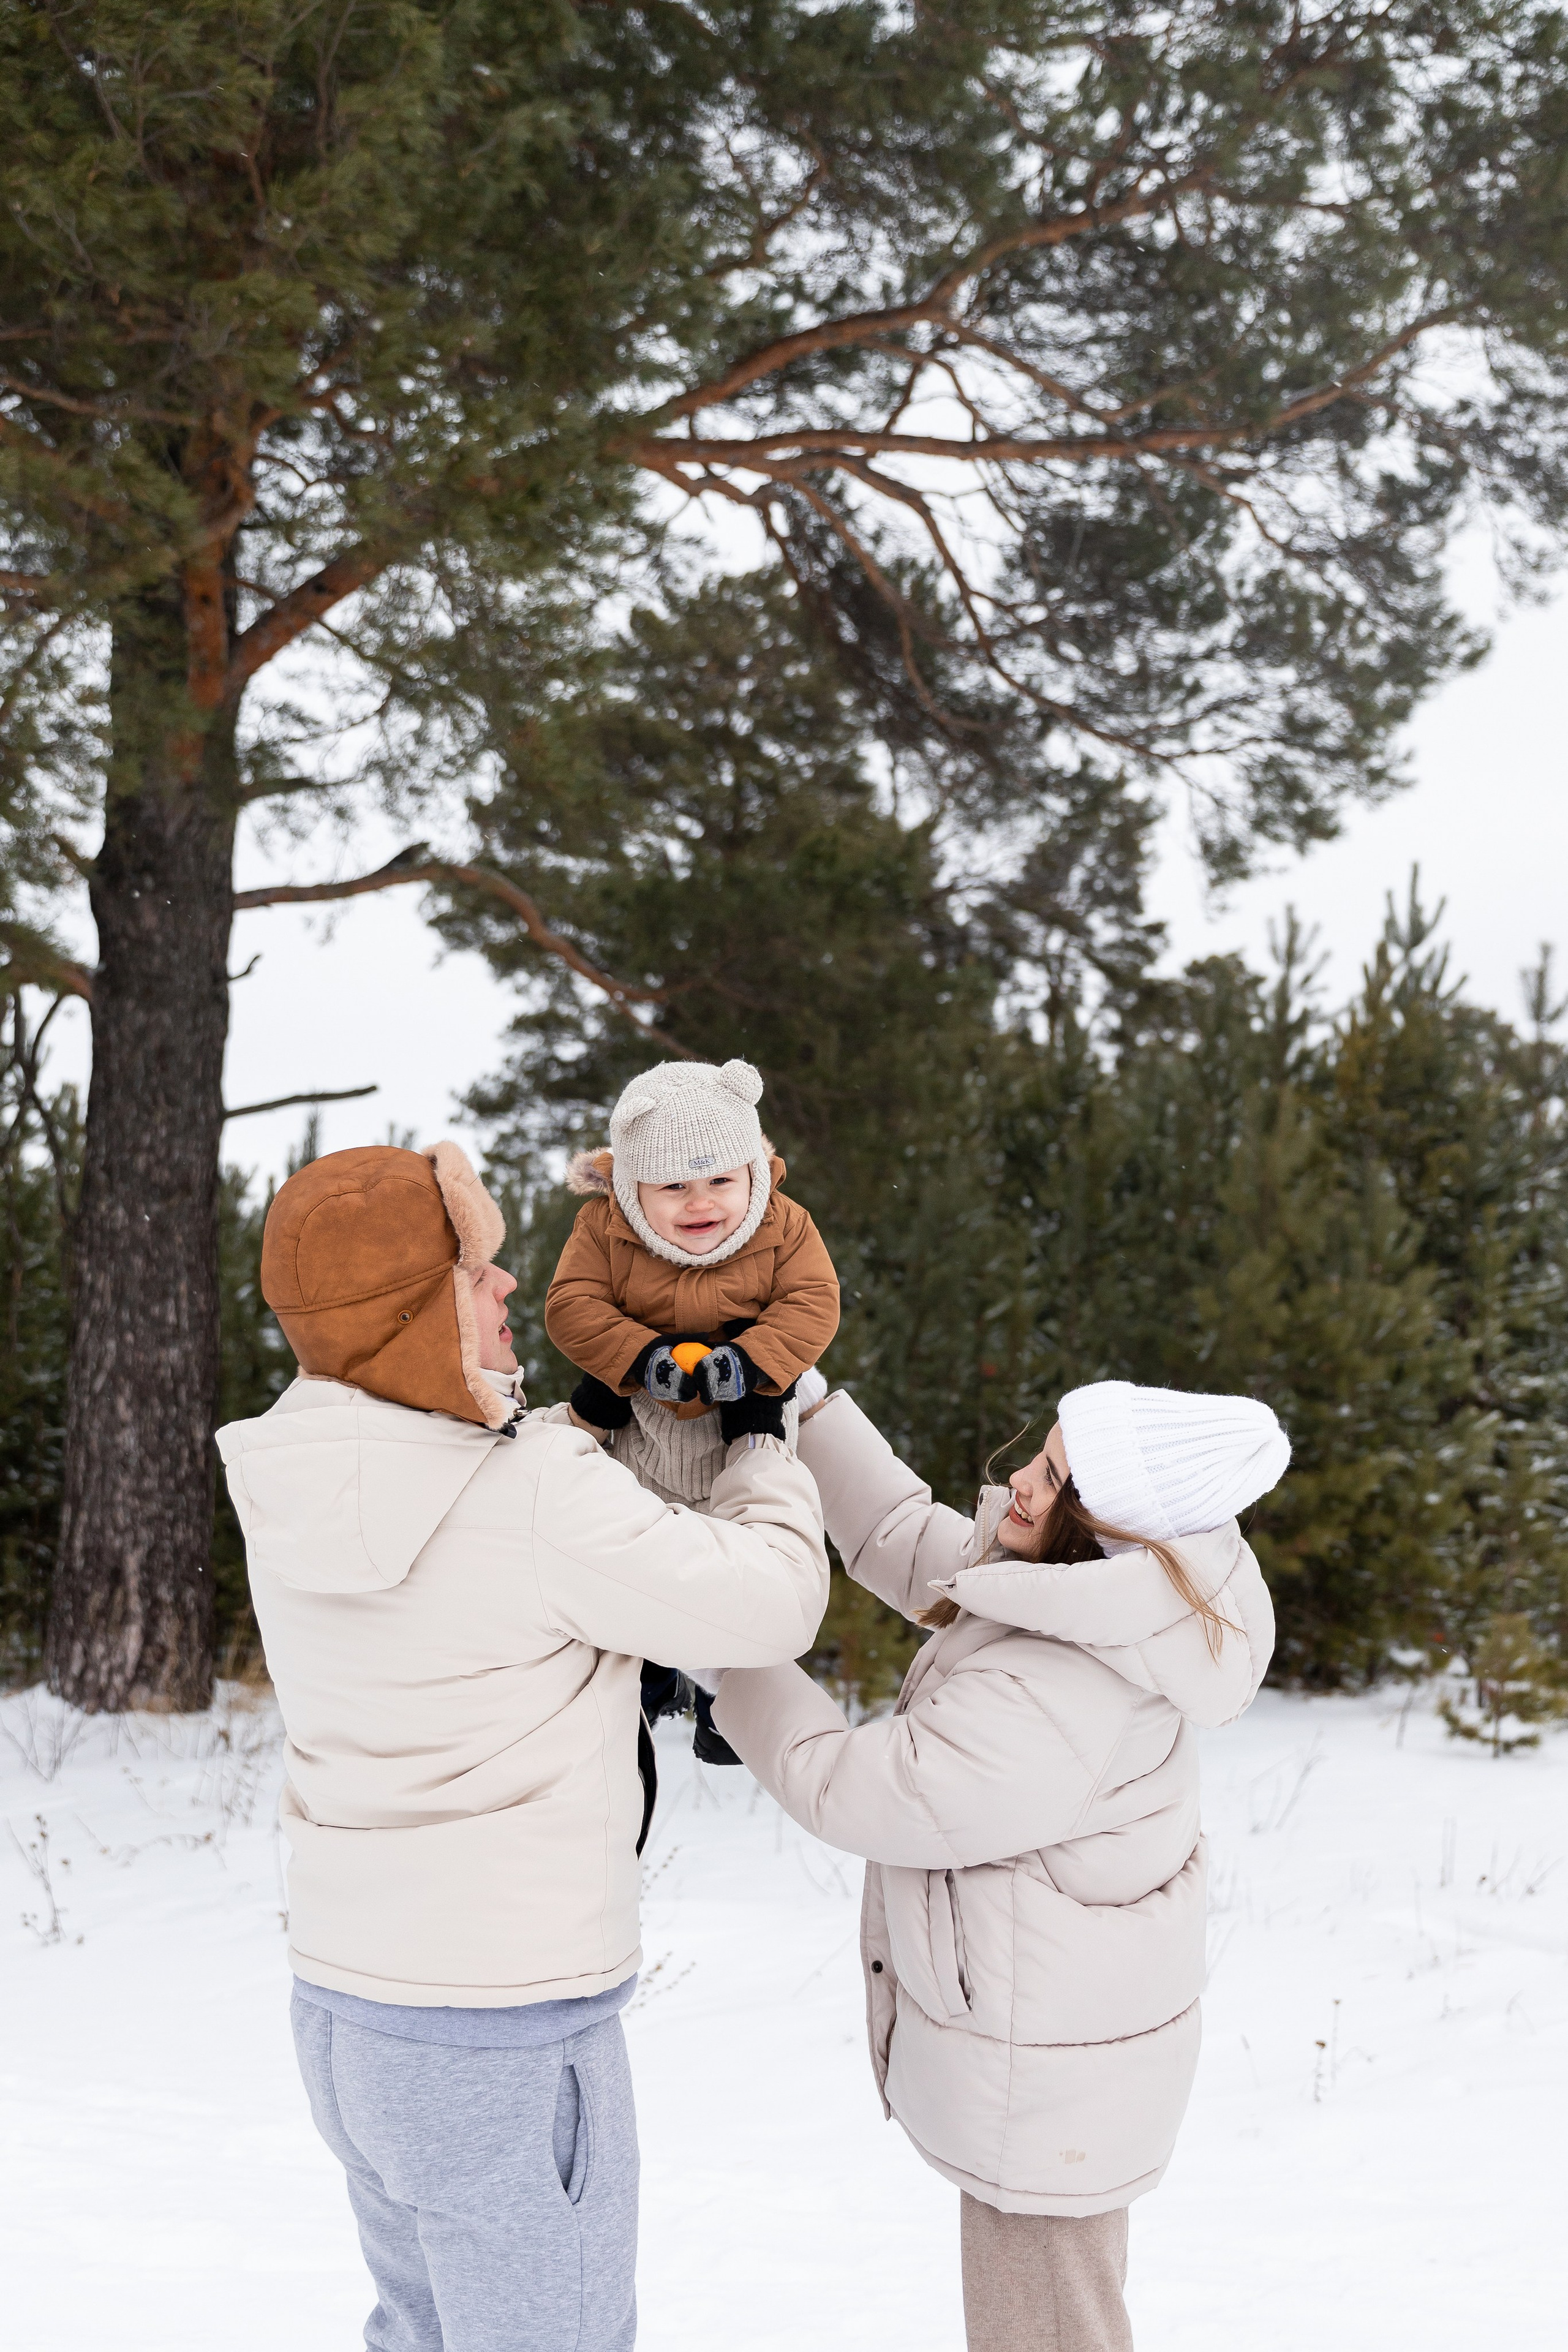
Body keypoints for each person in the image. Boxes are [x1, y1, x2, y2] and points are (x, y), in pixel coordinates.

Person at [216, 1140, 829, 2352]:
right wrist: (759, 1440)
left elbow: (456, 1491)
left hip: (352, 2015)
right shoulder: (531, 1492)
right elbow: (772, 1603)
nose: (506, 1292)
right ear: (407, 1313)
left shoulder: (291, 1471)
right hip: (502, 2031)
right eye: (474, 1273)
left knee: (424, 2331)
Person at [701, 1376, 1286, 2352]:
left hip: (1054, 2096)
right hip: (1060, 2058)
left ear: (1113, 1524)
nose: (1020, 1480)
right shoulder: (1109, 1593)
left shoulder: (1067, 1684)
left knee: (1048, 2334)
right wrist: (801, 1405)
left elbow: (862, 1788)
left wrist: (729, 1657)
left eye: (1052, 1474)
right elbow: (904, 1536)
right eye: (1041, 1454)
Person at [546, 1056, 840, 1511]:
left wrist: (752, 1361)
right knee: (633, 1521)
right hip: (642, 1413)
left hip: (750, 1408)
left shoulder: (783, 1222)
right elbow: (572, 1304)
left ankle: (758, 1466)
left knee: (755, 1498)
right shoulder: (603, 1226)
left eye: (720, 1180)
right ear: (632, 1187)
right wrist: (643, 1357)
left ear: (751, 1175)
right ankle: (569, 1452)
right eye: (674, 1186)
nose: (701, 1203)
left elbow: (812, 1300)